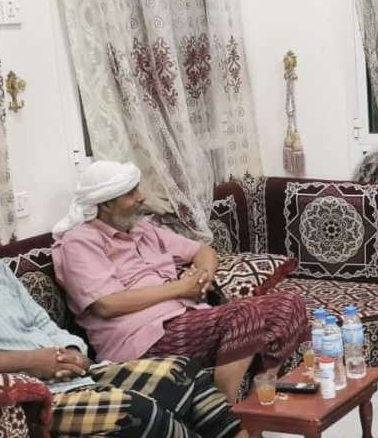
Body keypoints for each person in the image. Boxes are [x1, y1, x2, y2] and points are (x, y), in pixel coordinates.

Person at [0, 178, 334, 438]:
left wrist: (69, 349)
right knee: (134, 408)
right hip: (29, 397)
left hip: (67, 371)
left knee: (178, 373)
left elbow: (40, 322)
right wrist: (34, 362)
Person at [51, 161, 307, 403]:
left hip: (188, 318)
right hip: (141, 340)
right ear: (106, 204)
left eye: (137, 189)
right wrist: (180, 288)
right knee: (244, 313)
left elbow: (203, 251)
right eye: (130, 193)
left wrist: (201, 277)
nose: (141, 197)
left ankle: (259, 395)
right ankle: (226, 411)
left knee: (289, 304)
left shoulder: (142, 229)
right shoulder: (80, 242)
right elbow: (106, 305)